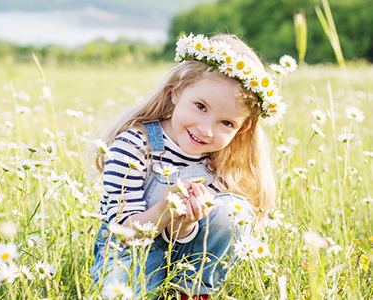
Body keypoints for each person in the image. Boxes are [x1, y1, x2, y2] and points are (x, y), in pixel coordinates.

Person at [90, 33, 284, 299]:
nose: (205, 130)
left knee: (233, 211)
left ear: (242, 128)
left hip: (185, 260)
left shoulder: (220, 163)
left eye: (226, 123)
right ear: (176, 91)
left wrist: (184, 223)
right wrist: (164, 211)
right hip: (129, 251)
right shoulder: (135, 145)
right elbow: (122, 234)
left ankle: (191, 293)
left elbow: (191, 239)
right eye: (201, 106)